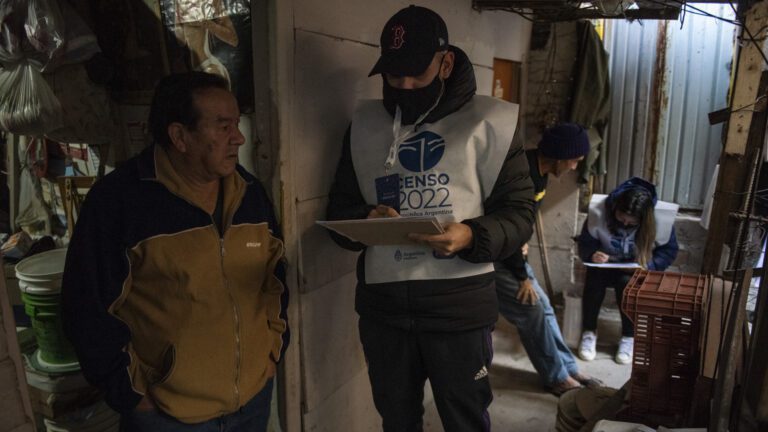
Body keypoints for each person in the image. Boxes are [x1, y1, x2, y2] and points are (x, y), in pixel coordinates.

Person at [326, 5, 535, 431]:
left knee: (465, 419)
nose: (404, 85)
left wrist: (471, 236)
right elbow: (339, 211)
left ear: (446, 63)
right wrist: (365, 218)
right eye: (393, 74)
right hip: (385, 311)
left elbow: (519, 214)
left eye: (416, 73)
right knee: (397, 420)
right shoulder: (365, 125)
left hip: (459, 310)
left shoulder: (490, 123)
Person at [61, 71, 289, 431]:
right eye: (224, 127)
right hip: (168, 416)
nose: (239, 137)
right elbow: (86, 308)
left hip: (253, 399)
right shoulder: (120, 203)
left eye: (236, 124)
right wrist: (131, 394)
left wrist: (274, 350)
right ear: (180, 136)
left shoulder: (250, 194)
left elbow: (274, 280)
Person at [494, 123, 602, 396]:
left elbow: (521, 224)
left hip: (513, 253)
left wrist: (523, 241)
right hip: (495, 257)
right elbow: (507, 229)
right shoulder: (522, 175)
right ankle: (555, 377)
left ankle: (568, 367)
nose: (575, 167)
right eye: (574, 160)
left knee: (546, 308)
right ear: (559, 156)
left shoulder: (540, 172)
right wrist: (522, 277)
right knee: (531, 311)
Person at [576, 177, 678, 364]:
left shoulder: (660, 219)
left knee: (627, 285)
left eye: (631, 223)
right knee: (593, 280)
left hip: (634, 269)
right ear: (615, 208)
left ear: (644, 219)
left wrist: (650, 266)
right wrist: (591, 255)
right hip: (605, 265)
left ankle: (628, 337)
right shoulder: (599, 211)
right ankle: (589, 331)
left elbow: (668, 251)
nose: (624, 224)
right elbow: (585, 242)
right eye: (621, 219)